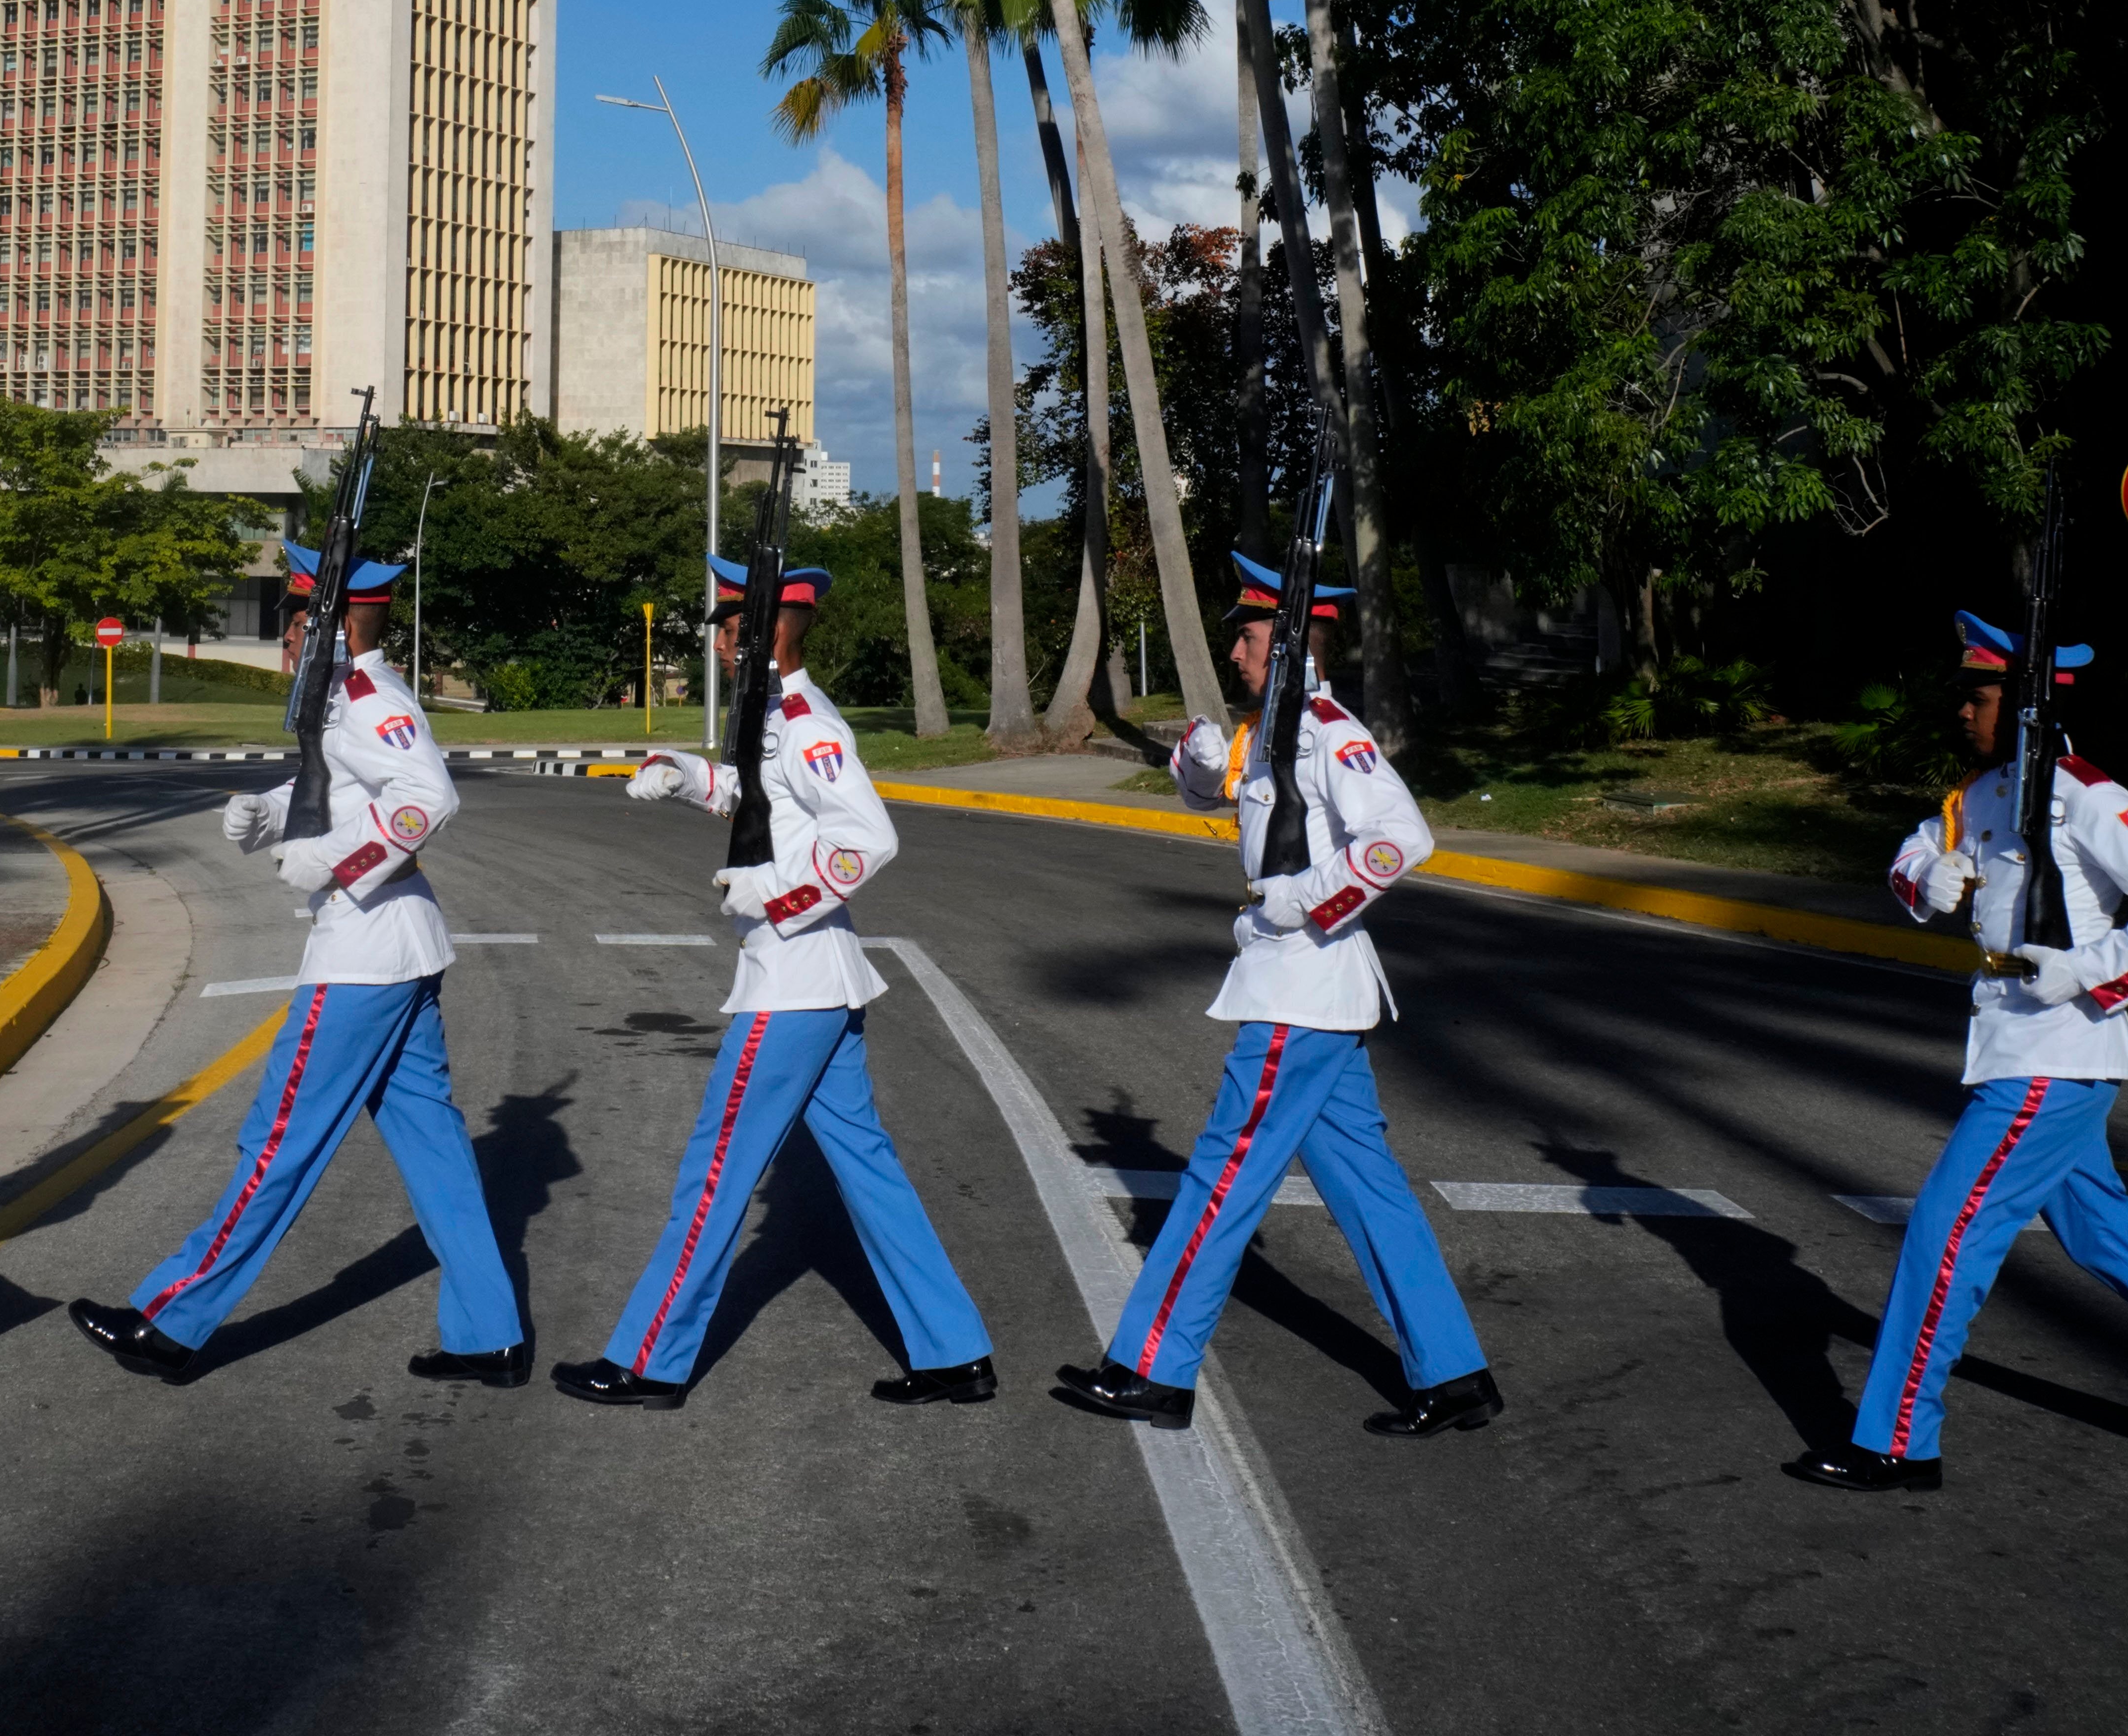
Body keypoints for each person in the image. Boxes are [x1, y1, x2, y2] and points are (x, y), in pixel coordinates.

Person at [1785, 609, 2128, 1495]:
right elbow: (1916, 854)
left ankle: (1899, 1439)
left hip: (2056, 1051)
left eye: (1980, 695)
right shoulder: (1988, 793)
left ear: (2029, 702)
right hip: (2020, 1043)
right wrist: (1925, 877)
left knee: (1947, 1228)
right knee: (2108, 1237)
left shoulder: (2084, 792)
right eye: (1963, 694)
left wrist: (2091, 971)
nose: (1962, 710)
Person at [1053, 553, 1498, 1439]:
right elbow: (1218, 802)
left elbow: (1403, 840)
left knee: (1221, 1179)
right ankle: (1453, 1376)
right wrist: (1194, 764)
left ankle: (1151, 1367)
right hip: (1311, 998)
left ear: (1292, 644)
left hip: (1303, 988)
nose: (1239, 655)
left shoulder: (1329, 732)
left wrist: (1304, 900)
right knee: (1370, 1191)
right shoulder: (1273, 733)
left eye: (1251, 639)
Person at [71, 546, 525, 1385]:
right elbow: (344, 791)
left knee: (278, 1139)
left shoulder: (368, 699)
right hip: (398, 951)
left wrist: (340, 867)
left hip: (363, 955)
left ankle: (173, 1319)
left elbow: (429, 798)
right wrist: (271, 813)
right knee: (435, 1151)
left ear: (334, 624)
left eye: (297, 615)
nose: (286, 632)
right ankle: (489, 1333)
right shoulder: (342, 703)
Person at [555, 554, 996, 1410]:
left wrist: (778, 895)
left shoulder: (808, 722)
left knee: (714, 1170)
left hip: (792, 979)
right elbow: (761, 803)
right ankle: (954, 1351)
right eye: (722, 628)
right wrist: (689, 778)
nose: (722, 642)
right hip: (813, 980)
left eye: (733, 627)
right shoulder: (771, 720)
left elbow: (868, 838)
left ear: (777, 631)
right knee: (867, 1170)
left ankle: (650, 1360)